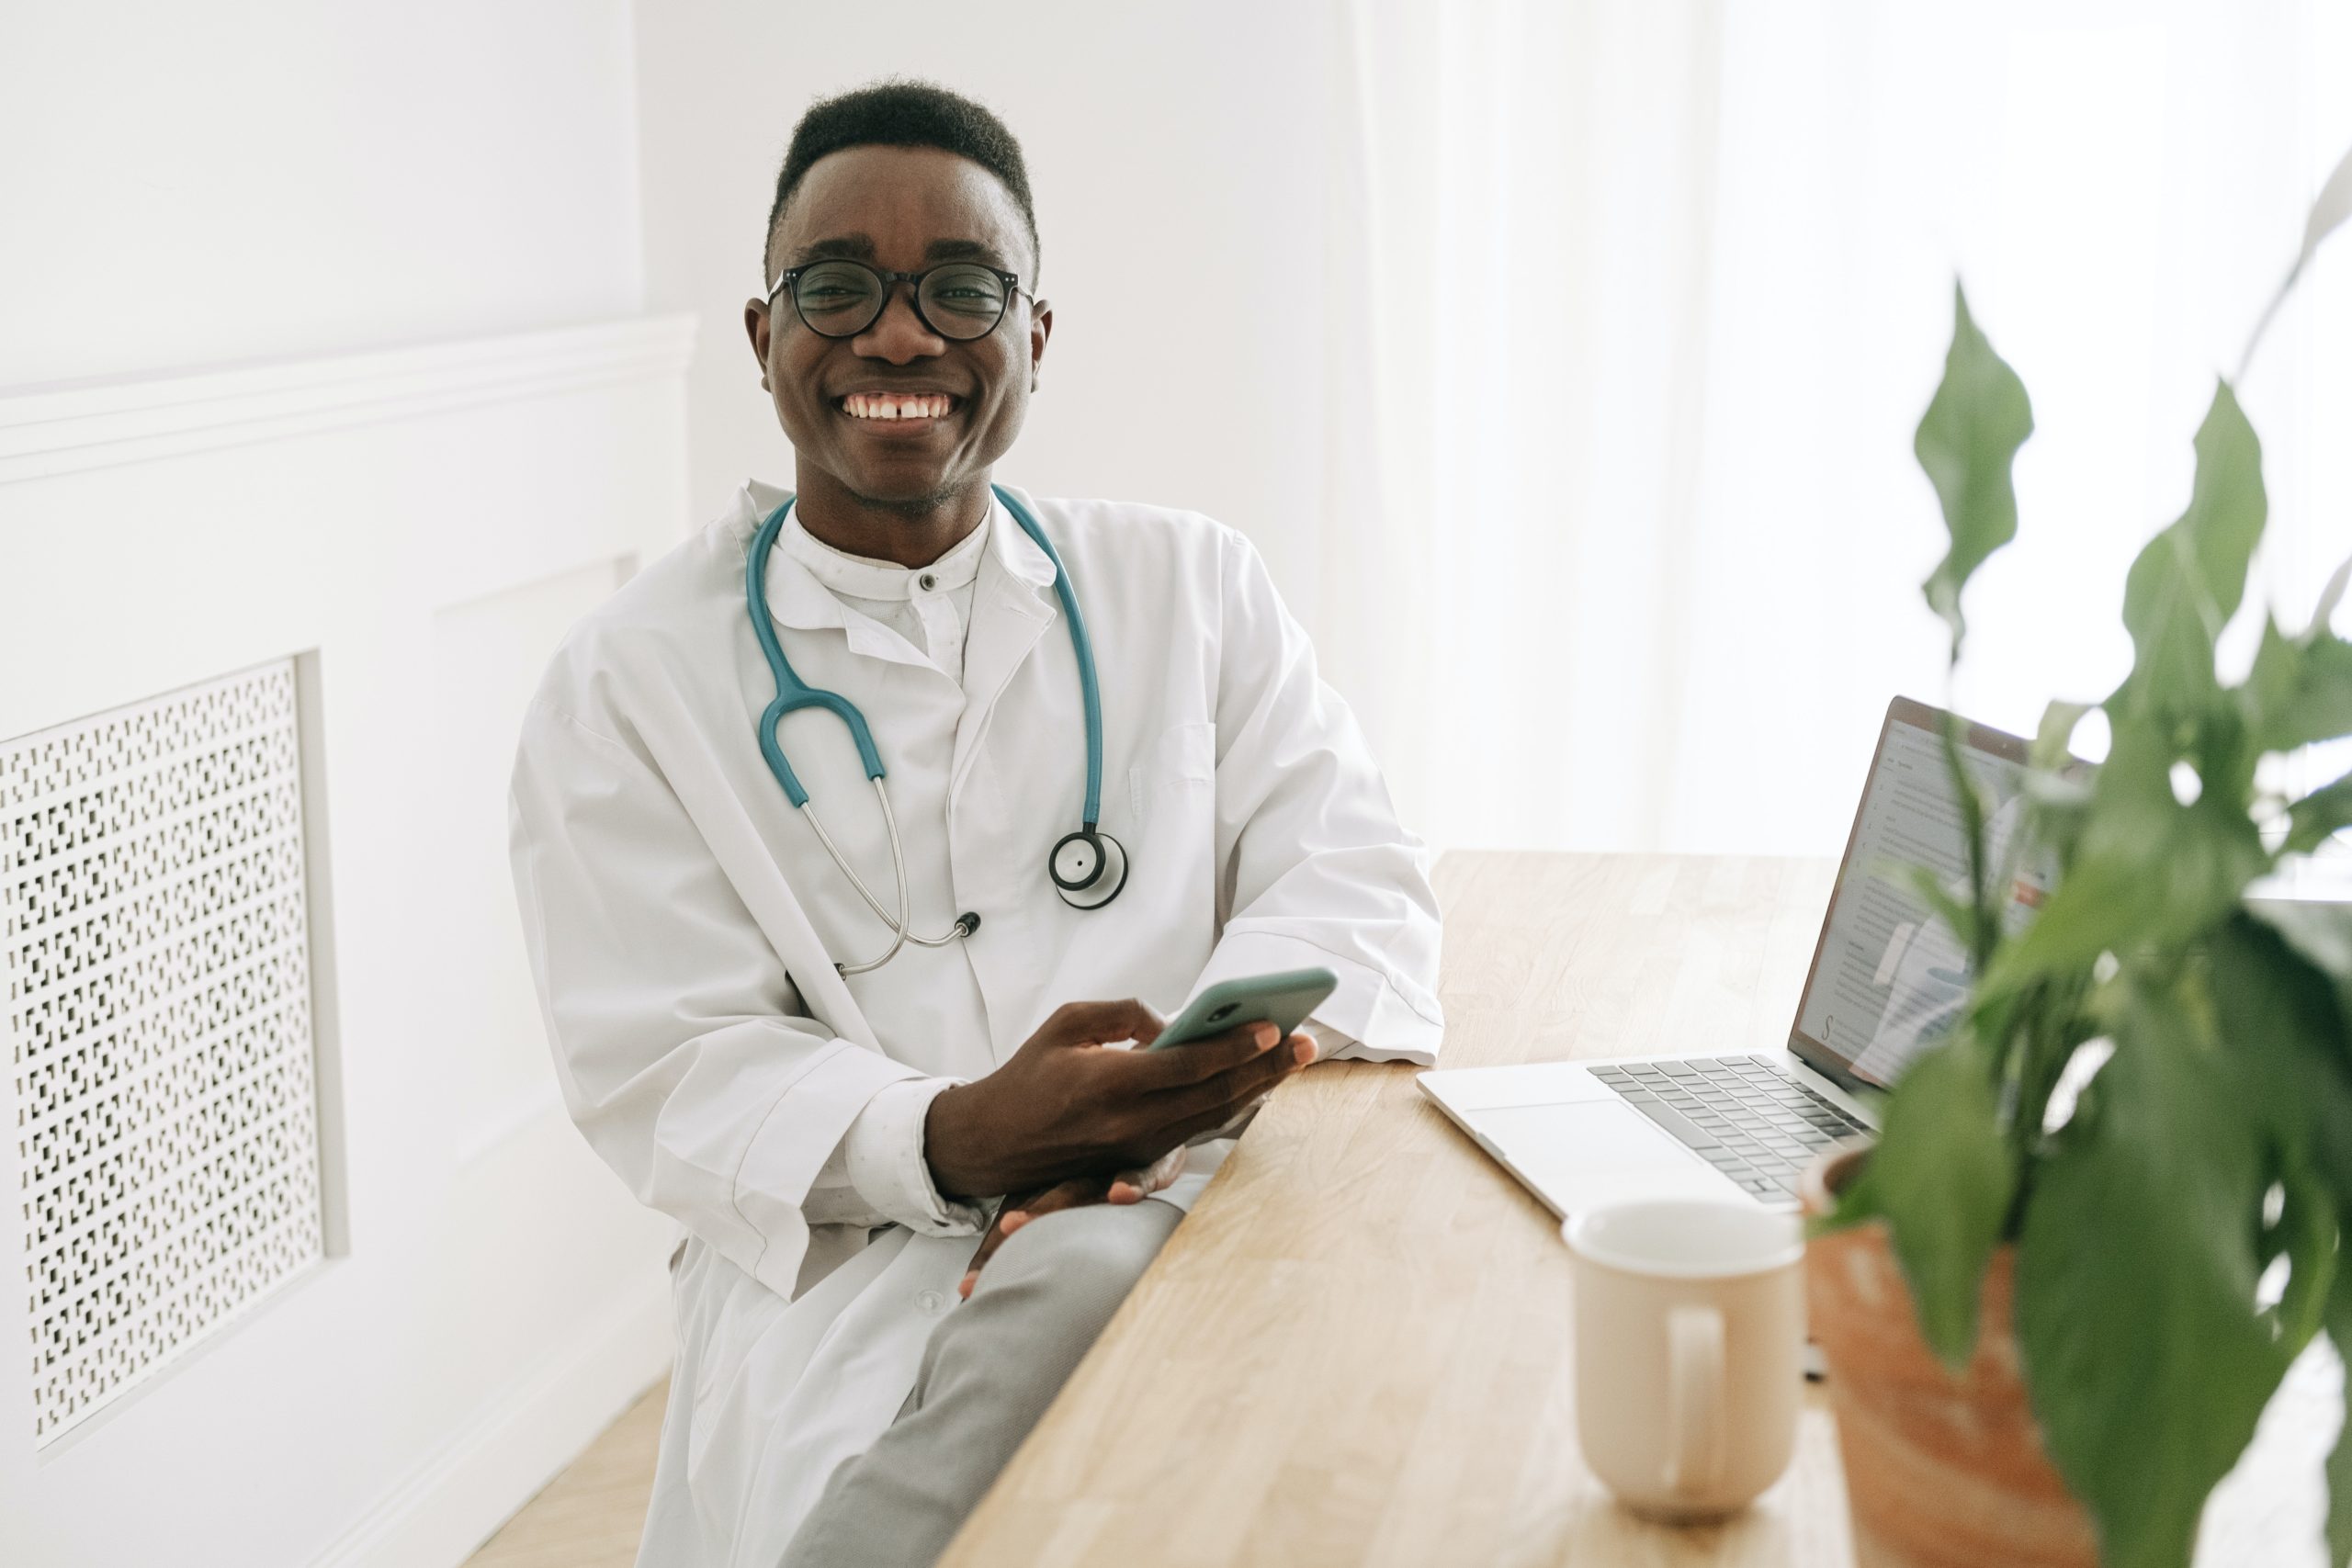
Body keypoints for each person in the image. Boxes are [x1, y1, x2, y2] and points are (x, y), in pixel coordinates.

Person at [507, 80, 1442, 1568]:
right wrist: (957, 1138)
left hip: (1187, 1184)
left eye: (962, 289)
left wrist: (1130, 1131)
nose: (899, 335)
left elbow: (1357, 886)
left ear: (1035, 339)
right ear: (764, 338)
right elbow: (665, 1067)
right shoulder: (630, 678)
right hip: (850, 1265)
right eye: (838, 288)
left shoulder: (1189, 589)